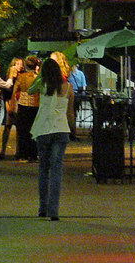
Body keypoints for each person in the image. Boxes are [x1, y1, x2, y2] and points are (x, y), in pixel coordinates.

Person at [30, 57, 74, 221]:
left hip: (44, 130)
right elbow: (70, 113)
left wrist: (40, 77)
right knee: (56, 170)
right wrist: (73, 127)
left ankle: (43, 207)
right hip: (61, 130)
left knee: (43, 169)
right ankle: (54, 210)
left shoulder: (42, 85)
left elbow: (29, 89)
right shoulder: (68, 87)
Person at [11, 55, 40, 161]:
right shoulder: (38, 78)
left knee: (23, 131)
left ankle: (22, 154)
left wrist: (12, 105)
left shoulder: (21, 77)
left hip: (23, 105)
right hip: (35, 105)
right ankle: (33, 154)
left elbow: (15, 90)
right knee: (33, 131)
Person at [0, 56, 22, 159]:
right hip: (10, 103)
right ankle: (3, 150)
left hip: (19, 104)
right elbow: (5, 91)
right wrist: (7, 104)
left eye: (21, 64)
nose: (20, 66)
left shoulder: (23, 76)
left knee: (19, 128)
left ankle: (18, 151)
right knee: (7, 127)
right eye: (17, 64)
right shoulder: (8, 77)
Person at [67, 62, 87, 140]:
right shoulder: (69, 74)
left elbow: (84, 84)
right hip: (71, 94)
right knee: (71, 112)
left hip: (77, 94)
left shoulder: (80, 74)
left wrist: (83, 92)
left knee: (74, 112)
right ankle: (71, 131)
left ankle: (73, 131)